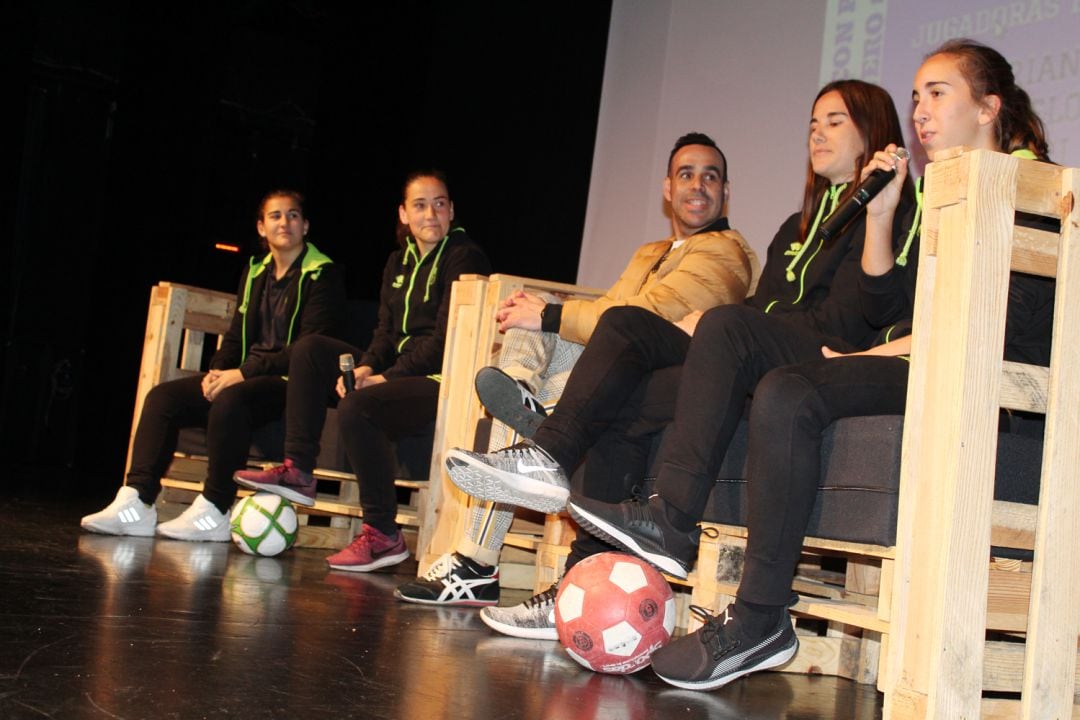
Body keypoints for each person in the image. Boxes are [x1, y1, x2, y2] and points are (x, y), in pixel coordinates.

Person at [585, 39, 1056, 691]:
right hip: (923, 358)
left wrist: (871, 354)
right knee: (768, 372)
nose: (919, 111)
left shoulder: (1028, 186)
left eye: (938, 94)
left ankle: (758, 618)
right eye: (915, 97)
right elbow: (890, 300)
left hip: (983, 383)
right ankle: (725, 579)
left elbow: (1001, 324)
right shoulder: (941, 194)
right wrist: (886, 214)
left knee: (789, 390)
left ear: (987, 108)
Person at [444, 79, 914, 637]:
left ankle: (671, 521)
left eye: (835, 122)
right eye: (813, 123)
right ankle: (567, 522)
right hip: (754, 350)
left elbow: (852, 318)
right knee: (625, 336)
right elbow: (759, 308)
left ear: (873, 131)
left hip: (814, 358)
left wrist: (733, 327)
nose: (818, 133)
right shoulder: (796, 227)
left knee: (723, 323)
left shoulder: (891, 212)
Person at [395, 132, 759, 609]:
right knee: (534, 325)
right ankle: (524, 396)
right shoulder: (651, 251)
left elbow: (647, 314)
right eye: (686, 175)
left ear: (726, 192)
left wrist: (551, 315)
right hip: (617, 356)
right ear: (667, 188)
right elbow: (610, 310)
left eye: (710, 177)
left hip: (661, 367)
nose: (698, 186)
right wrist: (547, 312)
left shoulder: (727, 252)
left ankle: (478, 558)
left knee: (553, 319)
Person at [235, 171, 491, 572]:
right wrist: (370, 363)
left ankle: (384, 535)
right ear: (404, 214)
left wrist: (386, 378)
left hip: (441, 381)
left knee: (357, 407)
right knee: (311, 349)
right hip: (398, 371)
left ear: (452, 210)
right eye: (420, 205)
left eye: (440, 204)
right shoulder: (398, 261)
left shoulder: (464, 257)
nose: (431, 213)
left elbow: (445, 341)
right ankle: (298, 470)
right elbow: (385, 332)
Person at [81, 190, 346, 540]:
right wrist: (218, 370)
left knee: (231, 399)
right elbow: (236, 335)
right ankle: (137, 502)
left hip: (290, 383)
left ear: (306, 225)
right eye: (276, 216)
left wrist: (242, 374)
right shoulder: (255, 272)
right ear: (261, 227)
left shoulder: (322, 274)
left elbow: (307, 348)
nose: (285, 222)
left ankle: (216, 508)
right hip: (246, 374)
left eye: (293, 215)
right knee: (163, 399)